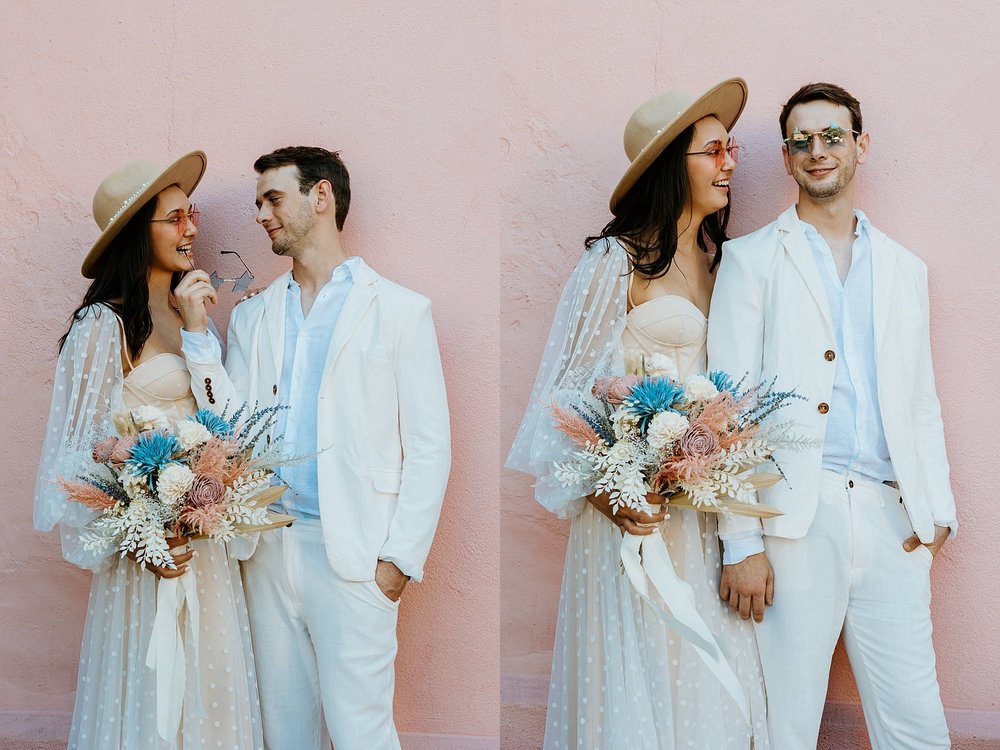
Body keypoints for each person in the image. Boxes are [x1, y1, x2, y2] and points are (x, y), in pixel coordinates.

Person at [508, 80, 769, 749]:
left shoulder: (718, 266)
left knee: (707, 694)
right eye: (714, 151)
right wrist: (612, 493)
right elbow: (559, 405)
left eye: (729, 148)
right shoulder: (612, 263)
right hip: (634, 526)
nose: (730, 163)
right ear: (669, 165)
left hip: (702, 524)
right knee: (637, 693)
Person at [174, 146, 451, 749]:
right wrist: (199, 340)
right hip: (268, 552)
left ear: (320, 196)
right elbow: (232, 432)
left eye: (273, 198)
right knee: (285, 734)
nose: (261, 214)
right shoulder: (253, 316)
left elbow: (430, 447)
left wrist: (398, 563)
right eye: (257, 203)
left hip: (355, 557)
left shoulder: (401, 311)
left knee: (362, 735)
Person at [709, 82, 954, 749]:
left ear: (860, 146)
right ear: (787, 160)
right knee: (784, 727)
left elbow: (919, 399)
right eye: (802, 141)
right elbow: (728, 405)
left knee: (919, 728)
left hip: (889, 516)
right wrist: (742, 542)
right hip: (792, 519)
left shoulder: (906, 270)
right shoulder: (751, 260)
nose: (819, 151)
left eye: (833, 137)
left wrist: (934, 519)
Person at [33, 152, 263, 749]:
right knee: (153, 695)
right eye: (176, 218)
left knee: (207, 693)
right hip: (147, 556)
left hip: (204, 544)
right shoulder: (101, 326)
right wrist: (146, 538)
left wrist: (194, 326)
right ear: (140, 233)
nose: (192, 229)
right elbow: (78, 456)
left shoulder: (197, 318)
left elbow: (223, 424)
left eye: (193, 214)